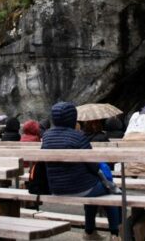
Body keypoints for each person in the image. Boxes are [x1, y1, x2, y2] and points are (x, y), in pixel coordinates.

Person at [42, 102, 121, 241]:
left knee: (92, 190)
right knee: (108, 192)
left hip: (55, 187)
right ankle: (115, 233)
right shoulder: (78, 137)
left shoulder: (47, 137)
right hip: (79, 187)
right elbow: (93, 166)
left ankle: (90, 232)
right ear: (73, 118)